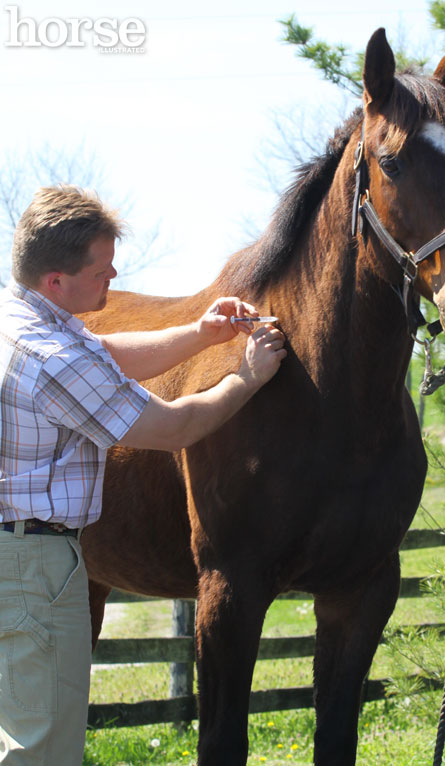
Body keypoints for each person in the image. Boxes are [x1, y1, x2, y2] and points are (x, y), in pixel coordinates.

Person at [0, 185, 287, 765]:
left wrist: (202, 334)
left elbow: (105, 352)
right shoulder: (55, 361)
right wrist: (247, 378)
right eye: (102, 270)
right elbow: (174, 427)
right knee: (43, 746)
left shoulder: (22, 318)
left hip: (15, 554)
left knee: (21, 723)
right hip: (37, 567)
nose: (114, 276)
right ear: (58, 280)